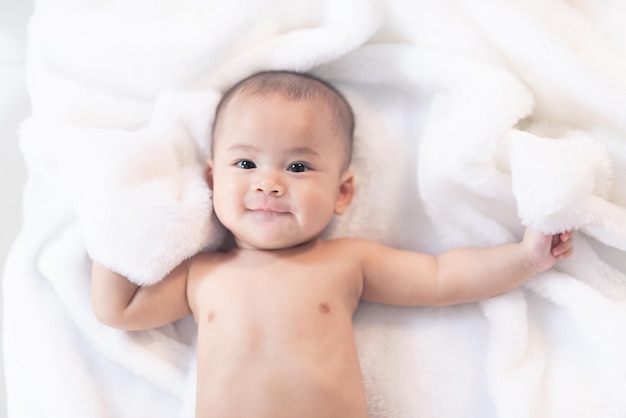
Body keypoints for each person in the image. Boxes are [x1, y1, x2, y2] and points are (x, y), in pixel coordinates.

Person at [91, 70, 574, 418]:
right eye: (246, 165)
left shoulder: (346, 262)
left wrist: (525, 258)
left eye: (298, 167)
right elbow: (120, 308)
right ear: (212, 180)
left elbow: (441, 277)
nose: (270, 184)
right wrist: (116, 215)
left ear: (342, 192)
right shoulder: (203, 274)